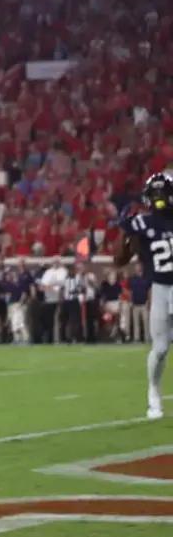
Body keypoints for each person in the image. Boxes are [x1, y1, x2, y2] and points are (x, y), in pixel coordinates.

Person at [115, 172, 173, 420]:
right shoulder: (141, 223)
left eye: (163, 194)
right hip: (160, 288)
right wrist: (129, 241)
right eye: (155, 194)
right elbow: (120, 259)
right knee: (159, 348)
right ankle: (153, 395)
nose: (159, 199)